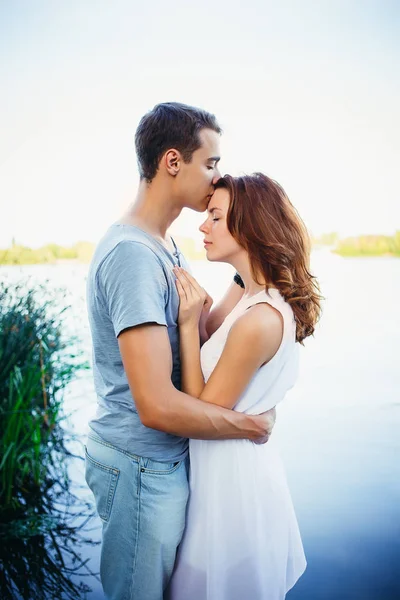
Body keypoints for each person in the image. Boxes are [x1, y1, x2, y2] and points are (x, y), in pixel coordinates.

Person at [84, 103, 276, 600]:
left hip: (159, 464)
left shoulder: (163, 244)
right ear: (173, 162)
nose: (216, 180)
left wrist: (249, 269)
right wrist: (250, 425)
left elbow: (192, 339)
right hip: (140, 465)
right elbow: (155, 404)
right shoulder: (132, 255)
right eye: (210, 164)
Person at [166, 173, 321, 600]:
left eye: (215, 216)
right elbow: (213, 334)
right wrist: (201, 317)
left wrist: (184, 325)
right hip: (226, 471)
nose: (202, 225)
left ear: (249, 226)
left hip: (232, 488)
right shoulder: (249, 294)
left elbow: (199, 409)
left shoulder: (259, 319)